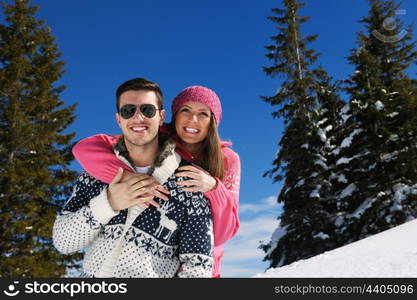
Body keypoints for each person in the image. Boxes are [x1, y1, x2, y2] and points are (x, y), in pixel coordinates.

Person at [72, 85, 241, 277]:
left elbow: (222, 235)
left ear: (213, 122)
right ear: (173, 115)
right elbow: (84, 148)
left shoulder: (227, 159)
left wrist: (214, 189)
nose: (193, 119)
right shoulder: (155, 140)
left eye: (203, 113)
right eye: (185, 110)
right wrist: (129, 178)